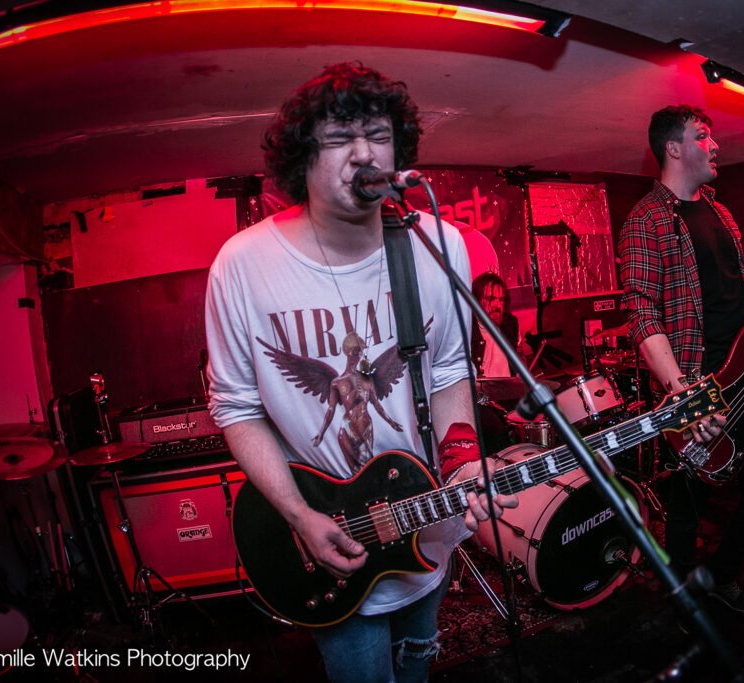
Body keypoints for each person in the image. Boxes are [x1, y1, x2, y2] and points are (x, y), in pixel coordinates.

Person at [205, 62, 516, 682]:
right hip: (324, 535)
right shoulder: (242, 265)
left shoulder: (438, 245)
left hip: (425, 520)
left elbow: (451, 368)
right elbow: (236, 407)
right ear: (302, 159)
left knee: (419, 662)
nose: (363, 152)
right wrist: (298, 514)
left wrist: (459, 457)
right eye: (339, 137)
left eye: (377, 135)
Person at [617, 105, 744, 614]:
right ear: (674, 148)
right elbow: (643, 313)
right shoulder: (646, 220)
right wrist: (681, 393)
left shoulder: (722, 213)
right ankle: (684, 607)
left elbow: (742, 293)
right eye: (702, 136)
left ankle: (723, 577)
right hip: (698, 385)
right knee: (688, 509)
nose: (715, 145)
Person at [470, 272, 520, 378]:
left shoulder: (510, 325)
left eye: (501, 299)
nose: (497, 305)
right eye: (490, 299)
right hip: (483, 393)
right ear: (476, 300)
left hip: (508, 392)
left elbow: (520, 359)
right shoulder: (468, 330)